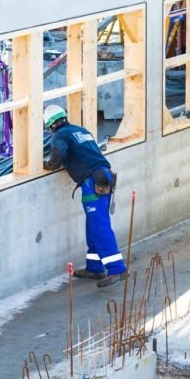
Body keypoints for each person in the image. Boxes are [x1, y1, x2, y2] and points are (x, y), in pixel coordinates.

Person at [43, 104, 127, 288]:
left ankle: (117, 269)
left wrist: (48, 165)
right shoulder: (80, 130)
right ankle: (95, 267)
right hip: (104, 176)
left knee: (99, 226)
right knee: (93, 226)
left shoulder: (60, 135)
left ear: (50, 125)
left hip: (92, 182)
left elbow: (58, 155)